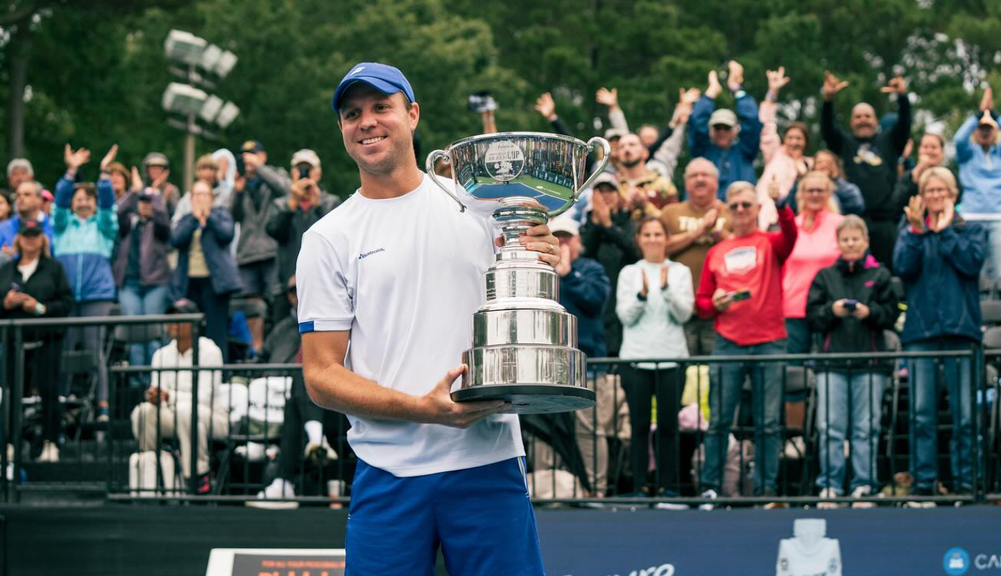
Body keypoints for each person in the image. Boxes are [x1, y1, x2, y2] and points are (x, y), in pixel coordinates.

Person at [298, 62, 560, 575]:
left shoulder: (484, 206)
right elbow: (321, 377)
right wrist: (421, 408)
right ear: (342, 130)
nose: (367, 122)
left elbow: (526, 291)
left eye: (381, 107)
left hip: (488, 461)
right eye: (353, 114)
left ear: (412, 114)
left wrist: (540, 252)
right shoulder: (327, 238)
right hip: (387, 470)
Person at [695, 181, 797, 507]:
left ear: (756, 208)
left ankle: (767, 490)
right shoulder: (716, 251)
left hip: (769, 341)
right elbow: (701, 303)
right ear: (728, 209)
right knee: (719, 421)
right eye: (735, 205)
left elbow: (791, 238)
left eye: (747, 205)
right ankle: (710, 487)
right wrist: (716, 304)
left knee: (768, 422)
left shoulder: (771, 243)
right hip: (728, 341)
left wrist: (781, 205)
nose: (741, 210)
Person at [894, 167, 986, 497]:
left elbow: (971, 264)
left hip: (962, 332)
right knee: (921, 415)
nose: (935, 196)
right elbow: (902, 267)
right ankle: (924, 485)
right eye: (929, 191)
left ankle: (965, 483)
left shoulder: (969, 229)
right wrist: (918, 233)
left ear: (952, 194)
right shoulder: (911, 230)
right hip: (922, 333)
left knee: (964, 416)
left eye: (940, 191)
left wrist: (945, 232)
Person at [806, 215, 899, 506]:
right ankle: (831, 485)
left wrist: (869, 313)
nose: (850, 244)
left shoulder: (880, 275)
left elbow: (892, 314)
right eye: (845, 239)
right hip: (832, 363)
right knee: (831, 427)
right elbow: (812, 316)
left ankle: (864, 484)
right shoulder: (824, 276)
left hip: (870, 363)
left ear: (866, 242)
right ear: (838, 243)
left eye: (855, 239)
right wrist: (832, 311)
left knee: (865, 428)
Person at [615, 217, 693, 498]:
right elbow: (624, 316)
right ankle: (638, 486)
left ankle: (667, 486)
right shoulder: (629, 273)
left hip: (672, 359)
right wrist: (642, 295)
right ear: (639, 239)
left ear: (666, 238)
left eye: (658, 233)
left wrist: (666, 289)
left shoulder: (680, 271)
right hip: (636, 360)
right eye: (647, 234)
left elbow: (685, 314)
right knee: (639, 426)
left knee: (669, 425)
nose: (652, 239)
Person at [130, 299, 226, 494]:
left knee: (186, 412)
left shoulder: (210, 351)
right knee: (143, 411)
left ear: (194, 324)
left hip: (211, 417)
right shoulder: (161, 354)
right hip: (174, 414)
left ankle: (198, 475)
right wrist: (155, 396)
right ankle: (154, 464)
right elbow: (160, 392)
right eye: (170, 319)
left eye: (179, 319)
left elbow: (204, 397)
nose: (173, 324)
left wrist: (168, 397)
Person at [54, 145, 120, 422]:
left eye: (88, 200)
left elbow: (108, 205)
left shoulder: (103, 227)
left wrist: (104, 173)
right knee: (66, 352)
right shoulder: (62, 225)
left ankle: (102, 405)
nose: (83, 203)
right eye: (78, 199)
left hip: (97, 296)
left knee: (95, 351)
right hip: (68, 297)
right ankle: (62, 403)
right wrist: (71, 171)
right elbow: (58, 201)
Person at [549, 217, 614, 497]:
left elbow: (596, 301)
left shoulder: (591, 269)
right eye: (557, 238)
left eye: (567, 238)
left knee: (590, 430)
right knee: (548, 431)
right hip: (550, 366)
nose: (562, 244)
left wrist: (567, 275)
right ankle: (551, 489)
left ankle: (595, 491)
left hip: (587, 365)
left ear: (578, 242)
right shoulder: (540, 268)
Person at [821, 71, 910, 269]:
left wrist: (903, 97)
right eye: (858, 117)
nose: (863, 120)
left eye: (868, 116)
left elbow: (905, 125)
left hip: (885, 223)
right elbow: (827, 130)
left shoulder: (889, 142)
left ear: (876, 120)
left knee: (888, 273)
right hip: (854, 222)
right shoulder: (845, 144)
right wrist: (828, 101)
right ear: (851, 122)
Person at [0, 219, 73, 461]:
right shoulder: (7, 269)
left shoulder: (54, 268)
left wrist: (39, 308)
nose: (30, 239)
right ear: (19, 239)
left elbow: (65, 303)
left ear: (42, 239)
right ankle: (8, 444)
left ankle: (51, 443)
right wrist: (6, 303)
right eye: (26, 235)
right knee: (9, 394)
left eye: (35, 235)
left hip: (46, 340)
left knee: (49, 392)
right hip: (13, 342)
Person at [661, 158, 732, 356]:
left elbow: (743, 248)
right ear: (685, 183)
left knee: (716, 372)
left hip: (719, 308)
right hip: (679, 308)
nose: (699, 179)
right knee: (682, 372)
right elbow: (659, 248)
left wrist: (718, 232)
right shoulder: (670, 212)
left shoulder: (733, 211)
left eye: (705, 175)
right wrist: (700, 230)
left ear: (717, 183)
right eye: (694, 175)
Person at [171, 179, 242, 361]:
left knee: (216, 333)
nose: (200, 199)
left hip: (215, 284)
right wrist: (194, 219)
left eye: (204, 194)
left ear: (211, 197)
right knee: (192, 332)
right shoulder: (186, 219)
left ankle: (219, 376)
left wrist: (208, 216)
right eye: (197, 195)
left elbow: (226, 234)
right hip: (189, 284)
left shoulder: (221, 215)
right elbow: (176, 240)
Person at [265, 149, 340, 321]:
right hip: (285, 285)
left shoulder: (330, 202)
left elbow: (336, 236)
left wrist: (318, 205)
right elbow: (274, 232)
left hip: (322, 281)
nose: (304, 174)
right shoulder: (281, 203)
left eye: (308, 169)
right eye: (300, 169)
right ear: (292, 173)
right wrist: (290, 206)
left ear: (318, 174)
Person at [114, 167, 173, 385]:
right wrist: (134, 191)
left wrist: (155, 197)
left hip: (155, 284)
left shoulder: (158, 226)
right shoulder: (129, 223)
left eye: (149, 202)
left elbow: (165, 223)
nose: (146, 205)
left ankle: (156, 383)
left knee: (152, 334)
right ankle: (137, 385)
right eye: (143, 201)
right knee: (134, 336)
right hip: (129, 283)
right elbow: (118, 213)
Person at [782, 172, 844, 356]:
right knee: (794, 372)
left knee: (829, 367)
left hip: (830, 307)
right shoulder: (791, 226)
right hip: (794, 307)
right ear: (801, 194)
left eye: (820, 190)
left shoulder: (840, 225)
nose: (815, 194)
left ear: (828, 194)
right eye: (810, 190)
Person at [231, 140, 283, 355]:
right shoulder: (241, 182)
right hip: (248, 254)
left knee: (275, 301)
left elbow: (285, 189)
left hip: (271, 251)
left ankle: (275, 351)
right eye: (244, 155)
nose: (247, 158)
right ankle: (255, 350)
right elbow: (233, 217)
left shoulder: (274, 175)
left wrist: (259, 169)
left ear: (263, 156)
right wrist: (238, 192)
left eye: (251, 154)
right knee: (253, 306)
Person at [580, 172, 639, 356]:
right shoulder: (585, 224)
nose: (605, 195)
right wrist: (598, 224)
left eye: (610, 190)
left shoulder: (629, 222)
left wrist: (608, 225)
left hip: (624, 300)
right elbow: (584, 254)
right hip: (595, 302)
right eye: (600, 191)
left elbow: (635, 253)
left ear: (618, 195)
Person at [689, 61, 763, 196]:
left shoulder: (746, 151)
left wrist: (736, 88)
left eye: (727, 128)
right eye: (717, 127)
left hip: (738, 211)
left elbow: (752, 121)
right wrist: (710, 94)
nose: (722, 131)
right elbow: (696, 123)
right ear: (710, 131)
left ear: (735, 130)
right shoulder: (702, 152)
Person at [954, 87, 1001, 284]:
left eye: (988, 128)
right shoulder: (967, 154)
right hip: (972, 216)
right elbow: (958, 138)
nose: (984, 132)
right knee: (976, 272)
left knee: (999, 273)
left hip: (998, 218)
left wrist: (995, 115)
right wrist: (979, 114)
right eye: (981, 128)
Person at [756, 67, 809, 229]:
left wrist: (804, 174)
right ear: (784, 140)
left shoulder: (810, 164)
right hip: (768, 218)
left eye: (799, 138)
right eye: (790, 138)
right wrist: (772, 92)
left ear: (806, 142)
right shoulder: (775, 154)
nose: (794, 142)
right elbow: (767, 125)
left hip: (797, 220)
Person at [892, 132, 946, 212]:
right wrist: (914, 181)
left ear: (942, 152)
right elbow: (896, 204)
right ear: (919, 150)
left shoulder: (949, 176)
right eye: (925, 147)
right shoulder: (908, 176)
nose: (929, 151)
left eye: (934, 147)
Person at [0, 180, 54, 252]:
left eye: (27, 194)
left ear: (39, 199)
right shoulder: (3, 228)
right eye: (18, 195)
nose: (21, 198)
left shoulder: (53, 225)